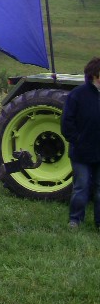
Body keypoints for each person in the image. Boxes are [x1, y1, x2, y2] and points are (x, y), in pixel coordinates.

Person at [61, 57, 100, 229]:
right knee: (81, 187)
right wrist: (78, 140)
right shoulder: (77, 94)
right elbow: (66, 123)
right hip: (81, 152)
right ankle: (75, 220)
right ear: (95, 74)